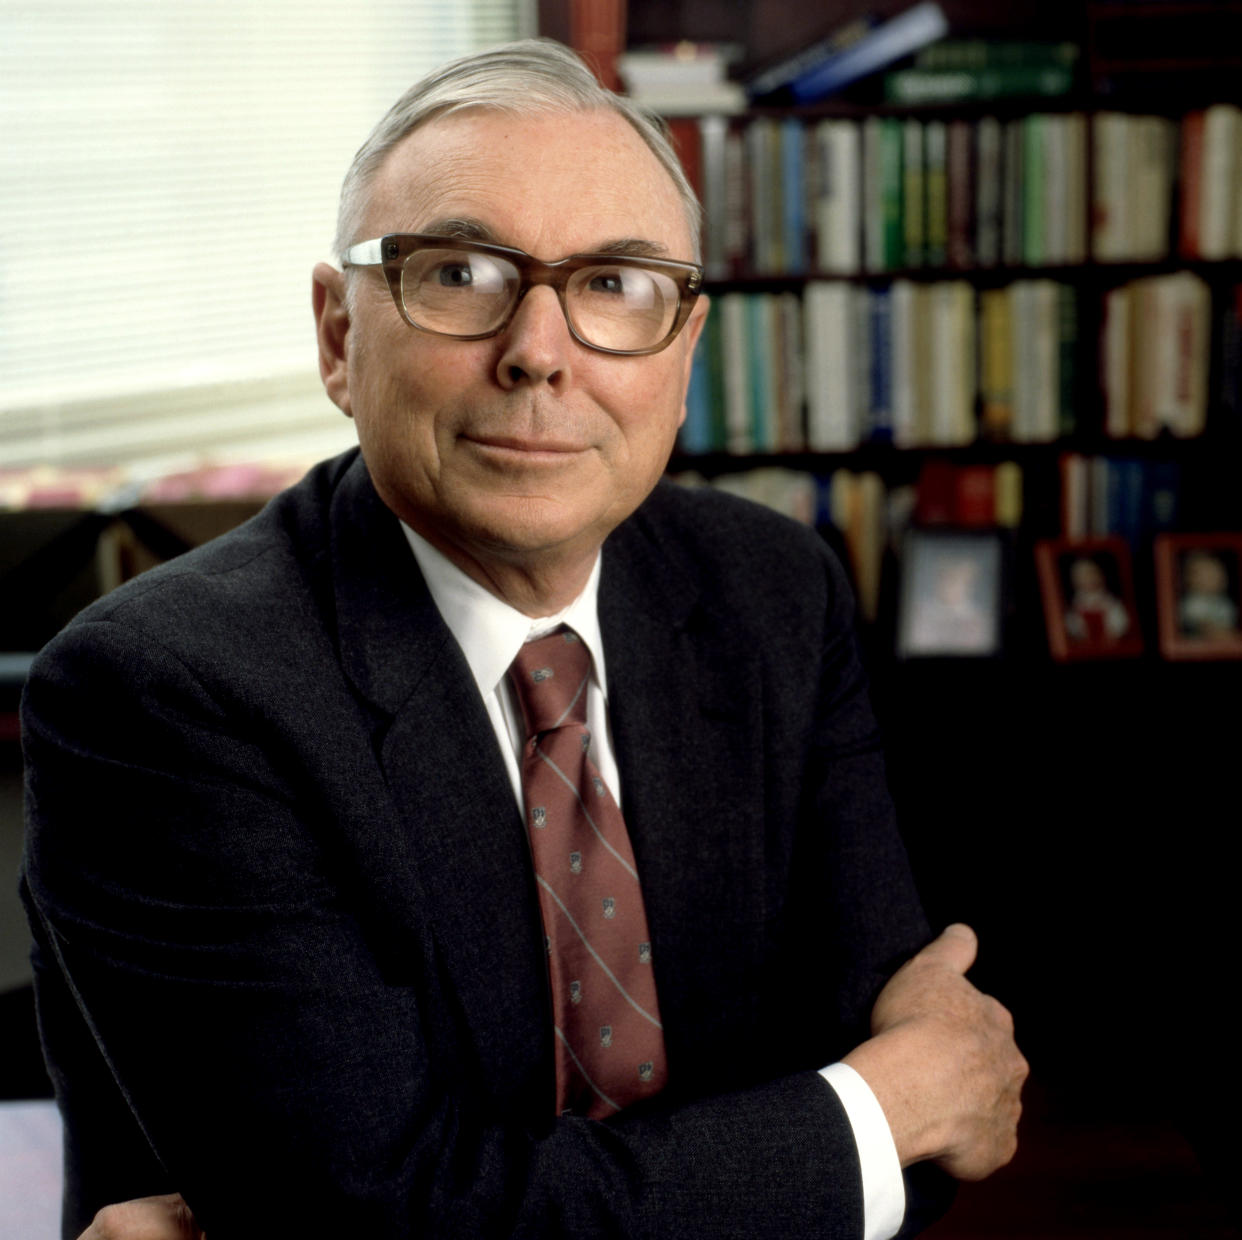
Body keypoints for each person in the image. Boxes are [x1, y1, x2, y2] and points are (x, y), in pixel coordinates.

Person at [22, 39, 1025, 1240]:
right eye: (460, 271)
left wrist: (877, 1120)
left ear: (686, 355)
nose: (539, 350)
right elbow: (378, 1221)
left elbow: (945, 1113)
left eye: (615, 285)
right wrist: (865, 1115)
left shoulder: (771, 592)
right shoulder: (164, 691)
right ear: (341, 336)